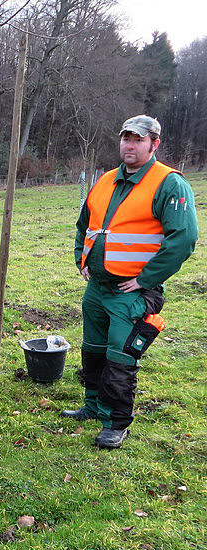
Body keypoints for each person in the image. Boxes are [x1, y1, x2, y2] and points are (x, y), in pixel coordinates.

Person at [62, 115, 198, 449]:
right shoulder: (106, 180)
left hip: (131, 291)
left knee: (121, 358)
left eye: (137, 139)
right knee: (92, 351)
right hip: (97, 287)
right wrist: (82, 258)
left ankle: (117, 422)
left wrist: (145, 279)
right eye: (125, 138)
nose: (130, 145)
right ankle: (93, 405)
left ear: (154, 144)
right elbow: (85, 225)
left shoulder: (169, 184)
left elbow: (183, 239)